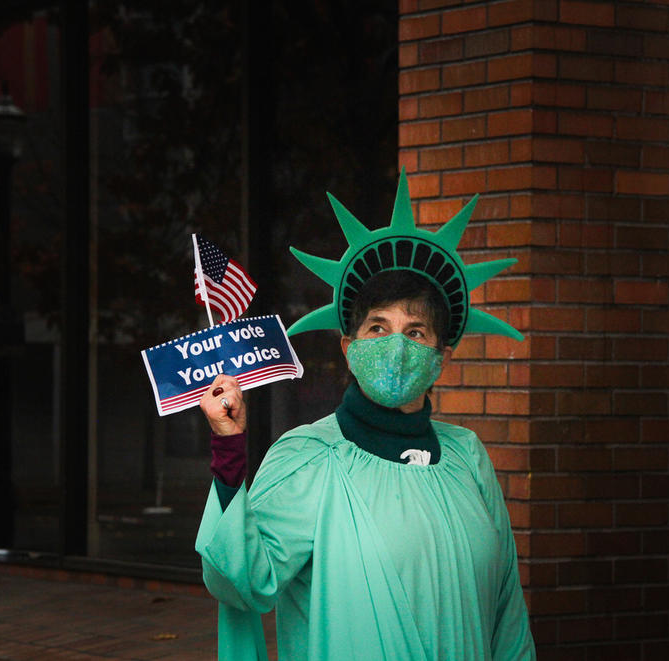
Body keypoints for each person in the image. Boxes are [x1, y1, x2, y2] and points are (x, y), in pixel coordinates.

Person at [194, 171, 535, 660]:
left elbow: (507, 614)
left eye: (416, 332)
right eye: (378, 328)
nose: (396, 346)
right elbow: (242, 578)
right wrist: (229, 449)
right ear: (349, 348)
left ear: (443, 357)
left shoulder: (468, 458)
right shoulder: (308, 458)